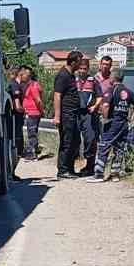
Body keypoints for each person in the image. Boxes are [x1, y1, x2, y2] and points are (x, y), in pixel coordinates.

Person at [94, 71, 134, 180]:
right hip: (124, 123)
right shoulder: (128, 91)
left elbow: (105, 105)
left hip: (113, 122)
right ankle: (115, 174)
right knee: (119, 147)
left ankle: (99, 174)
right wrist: (132, 117)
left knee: (104, 146)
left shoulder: (111, 90)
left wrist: (105, 119)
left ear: (113, 79)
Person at [53, 49, 82, 179]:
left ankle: (70, 168)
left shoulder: (70, 75)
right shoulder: (63, 75)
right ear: (73, 62)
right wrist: (57, 116)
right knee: (67, 141)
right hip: (66, 115)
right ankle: (62, 170)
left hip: (73, 114)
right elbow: (57, 95)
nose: (80, 66)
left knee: (75, 141)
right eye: (79, 62)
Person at [76, 56, 102, 177]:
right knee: (73, 139)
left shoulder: (93, 81)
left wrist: (95, 106)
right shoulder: (73, 80)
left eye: (84, 68)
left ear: (88, 69)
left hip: (89, 114)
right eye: (80, 68)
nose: (82, 71)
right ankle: (70, 167)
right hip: (76, 113)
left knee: (90, 139)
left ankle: (90, 165)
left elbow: (100, 96)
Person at [20, 67, 43, 158]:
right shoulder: (32, 85)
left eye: (23, 75)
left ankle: (32, 153)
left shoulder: (33, 86)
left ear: (28, 76)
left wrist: (41, 110)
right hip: (33, 112)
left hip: (33, 113)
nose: (22, 76)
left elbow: (38, 100)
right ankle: (34, 150)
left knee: (31, 132)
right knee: (33, 131)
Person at [7, 67, 25, 170]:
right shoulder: (15, 86)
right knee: (17, 145)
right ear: (20, 75)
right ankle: (13, 171)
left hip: (14, 119)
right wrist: (24, 110)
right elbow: (17, 106)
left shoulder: (13, 84)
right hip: (16, 119)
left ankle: (12, 171)